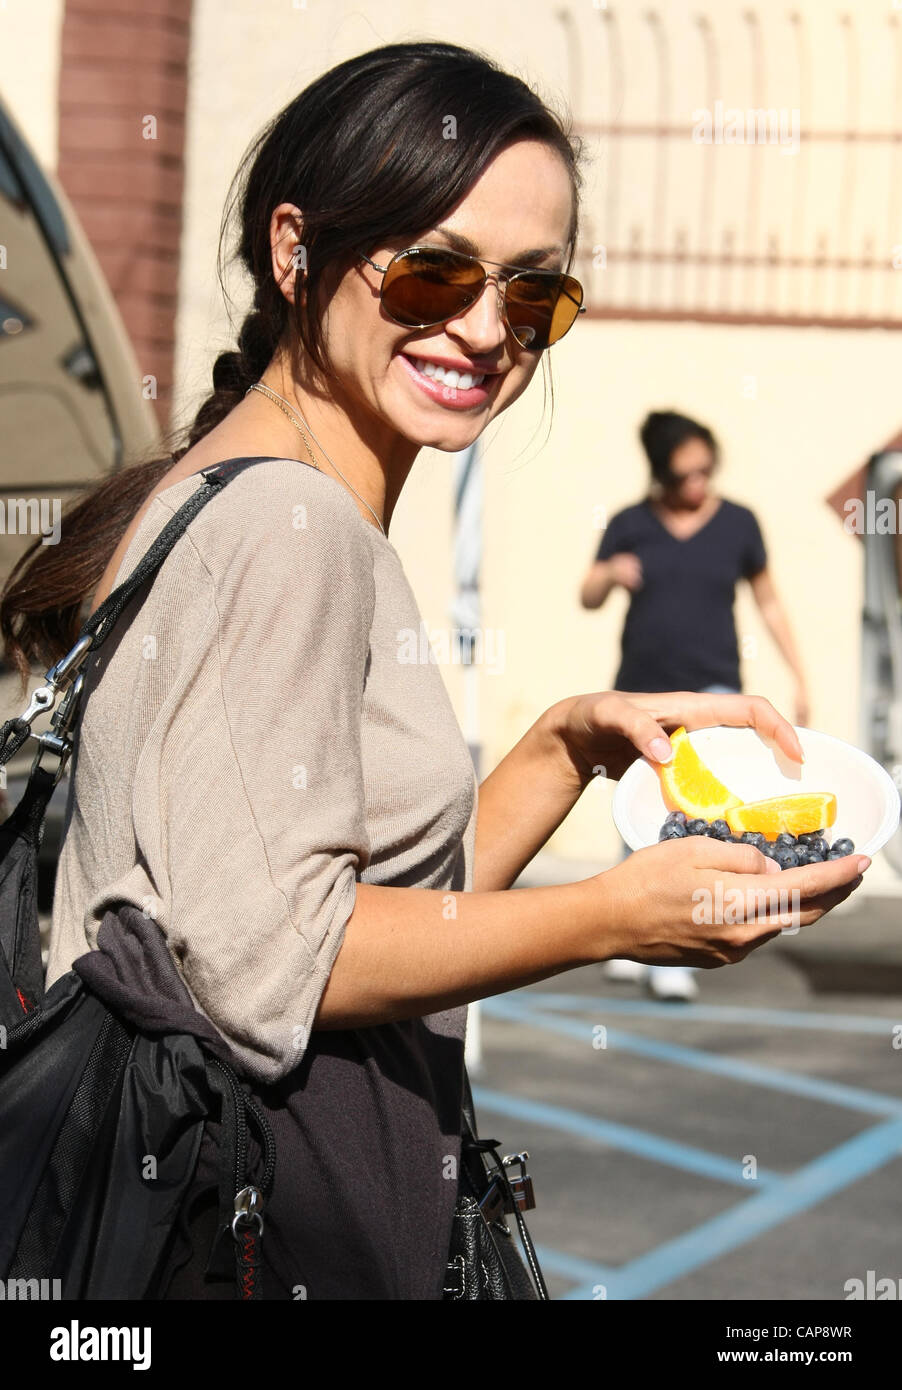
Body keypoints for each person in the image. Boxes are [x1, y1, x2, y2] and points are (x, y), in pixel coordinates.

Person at [0, 44, 866, 1300]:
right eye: (434, 268)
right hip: (252, 1237)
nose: (481, 325)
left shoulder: (235, 492)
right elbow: (271, 967)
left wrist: (559, 745)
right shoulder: (290, 530)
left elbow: (348, 896)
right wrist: (619, 916)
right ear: (294, 249)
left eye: (532, 294)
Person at [580, 410, 810, 1001]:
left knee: (690, 816)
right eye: (685, 475)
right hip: (641, 692)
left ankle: (672, 951)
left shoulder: (739, 524)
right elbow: (587, 595)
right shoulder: (632, 523)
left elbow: (770, 601)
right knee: (640, 813)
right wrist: (609, 573)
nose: (698, 484)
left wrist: (800, 676)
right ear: (661, 475)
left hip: (712, 697)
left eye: (706, 471)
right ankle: (631, 933)